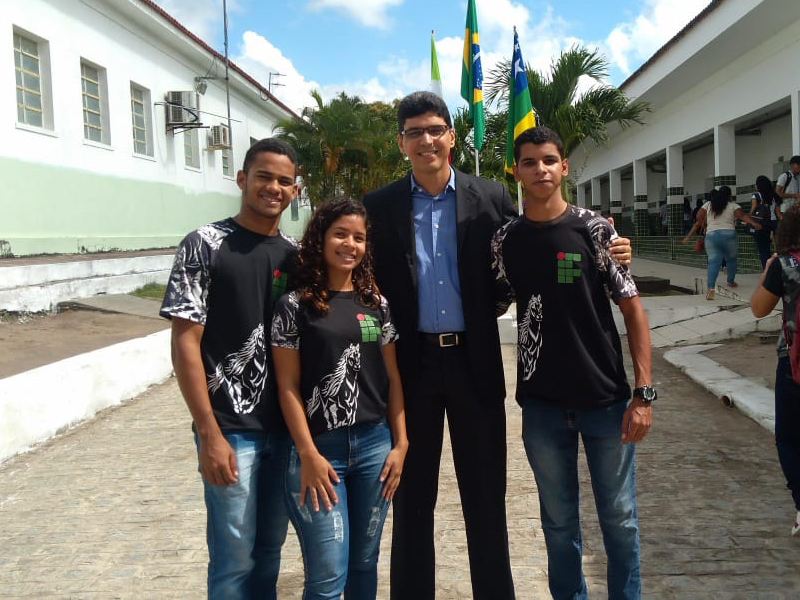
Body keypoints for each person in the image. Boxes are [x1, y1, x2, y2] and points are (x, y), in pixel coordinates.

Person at [362, 91, 632, 600]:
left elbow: (541, 233)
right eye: (414, 132)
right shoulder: (378, 208)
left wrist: (610, 245)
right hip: (410, 368)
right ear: (401, 143)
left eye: (435, 129)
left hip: (474, 361)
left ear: (452, 137)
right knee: (412, 499)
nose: (426, 140)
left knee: (486, 497)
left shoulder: (488, 198)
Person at [492, 126, 653, 599]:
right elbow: (494, 301)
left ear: (564, 167)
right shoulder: (505, 239)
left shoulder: (596, 230)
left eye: (548, 160)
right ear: (517, 172)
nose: (540, 169)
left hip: (605, 401)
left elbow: (633, 309)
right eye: (529, 162)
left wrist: (643, 393)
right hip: (541, 406)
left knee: (619, 520)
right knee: (559, 526)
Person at [160, 138, 299, 598]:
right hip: (229, 429)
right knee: (233, 558)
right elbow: (185, 340)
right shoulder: (205, 244)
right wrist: (208, 433)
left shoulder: (299, 257)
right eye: (263, 176)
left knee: (270, 551)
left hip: (285, 430)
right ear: (242, 179)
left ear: (294, 191)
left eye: (283, 181)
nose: (273, 188)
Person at [270, 197, 407, 599]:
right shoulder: (294, 307)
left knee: (365, 566)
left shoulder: (376, 305)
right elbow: (287, 388)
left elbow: (393, 378)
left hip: (374, 450)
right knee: (328, 575)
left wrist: (401, 443)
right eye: (340, 234)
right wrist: (308, 454)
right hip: (319, 454)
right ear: (321, 239)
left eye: (359, 238)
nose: (350, 244)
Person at [751, 203, 800, 538]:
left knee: (789, 439)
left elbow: (758, 308)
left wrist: (767, 269)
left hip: (794, 364)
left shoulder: (785, 265)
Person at [682, 186, 761, 300]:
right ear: (729, 196)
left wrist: (705, 226)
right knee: (731, 259)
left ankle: (710, 288)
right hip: (729, 235)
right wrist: (754, 223)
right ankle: (730, 281)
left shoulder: (709, 204)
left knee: (713, 262)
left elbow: (699, 216)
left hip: (711, 236)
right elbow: (742, 216)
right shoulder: (733, 206)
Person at [750, 175, 777, 268]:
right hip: (774, 222)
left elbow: (753, 209)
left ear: (758, 185)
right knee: (777, 248)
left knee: (764, 249)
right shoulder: (773, 195)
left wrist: (748, 219)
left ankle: (767, 271)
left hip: (763, 224)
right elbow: (777, 211)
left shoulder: (756, 195)